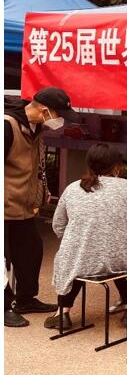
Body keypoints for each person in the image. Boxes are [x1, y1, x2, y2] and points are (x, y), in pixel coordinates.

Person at [44, 143, 127, 329]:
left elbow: (58, 224)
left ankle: (62, 314)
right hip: (116, 257)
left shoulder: (72, 188)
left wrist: (76, 240)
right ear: (117, 166)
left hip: (79, 256)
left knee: (74, 263)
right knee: (120, 264)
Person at [4, 87, 77, 327]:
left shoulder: (36, 128)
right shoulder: (7, 126)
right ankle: (4, 307)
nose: (61, 120)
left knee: (31, 252)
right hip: (4, 205)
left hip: (23, 206)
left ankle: (25, 299)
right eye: (59, 114)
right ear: (45, 110)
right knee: (3, 260)